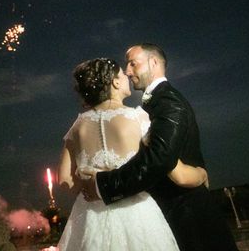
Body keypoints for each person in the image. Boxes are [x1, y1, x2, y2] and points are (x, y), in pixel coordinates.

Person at [82, 44, 239, 251]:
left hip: (187, 215)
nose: (128, 71)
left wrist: (103, 185)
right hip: (169, 213)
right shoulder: (152, 105)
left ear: (153, 62)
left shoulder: (168, 101)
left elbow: (160, 159)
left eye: (133, 64)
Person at [56, 57, 208, 250]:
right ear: (115, 82)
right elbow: (177, 174)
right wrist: (201, 174)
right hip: (137, 214)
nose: (127, 75)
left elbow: (65, 181)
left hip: (89, 217)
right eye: (122, 74)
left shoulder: (77, 126)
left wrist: (91, 187)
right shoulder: (138, 118)